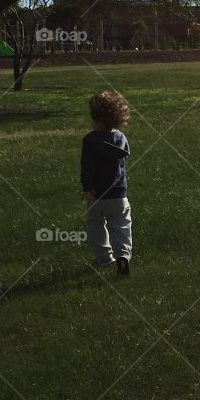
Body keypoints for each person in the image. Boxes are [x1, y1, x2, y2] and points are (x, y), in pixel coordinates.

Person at [81, 89, 133, 278]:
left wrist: (87, 187)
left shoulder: (89, 141)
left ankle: (104, 258)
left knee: (96, 223)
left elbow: (87, 166)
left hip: (96, 193)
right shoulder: (121, 139)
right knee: (121, 224)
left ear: (95, 118)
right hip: (119, 193)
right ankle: (123, 256)